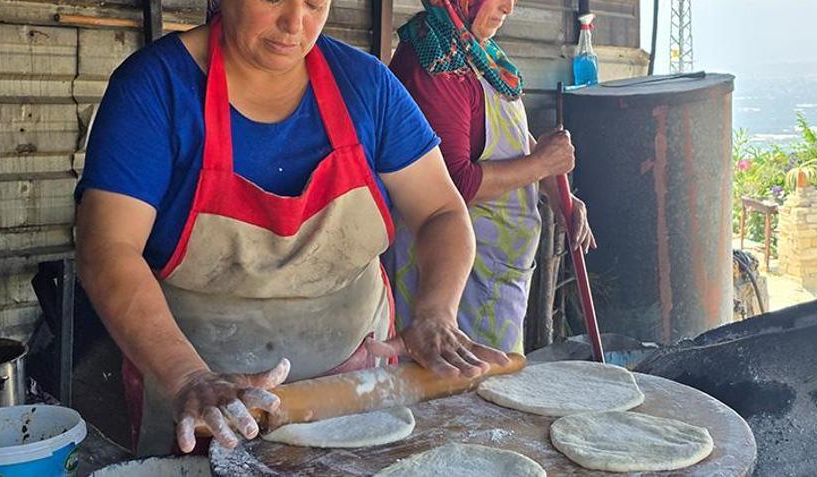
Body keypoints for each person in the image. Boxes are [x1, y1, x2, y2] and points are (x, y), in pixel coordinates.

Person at [74, 0, 508, 456]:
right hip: (206, 398)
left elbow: (441, 209)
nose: (294, 23)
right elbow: (107, 247)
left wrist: (436, 312)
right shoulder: (157, 88)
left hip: (353, 385)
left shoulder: (367, 85)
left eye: (315, 3)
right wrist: (188, 376)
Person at [385, 0, 596, 354]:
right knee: (454, 392)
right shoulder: (435, 65)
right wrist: (542, 163)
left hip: (493, 277)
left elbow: (505, 134)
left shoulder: (475, 50)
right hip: (454, 286)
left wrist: (556, 191)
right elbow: (456, 182)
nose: (508, 8)